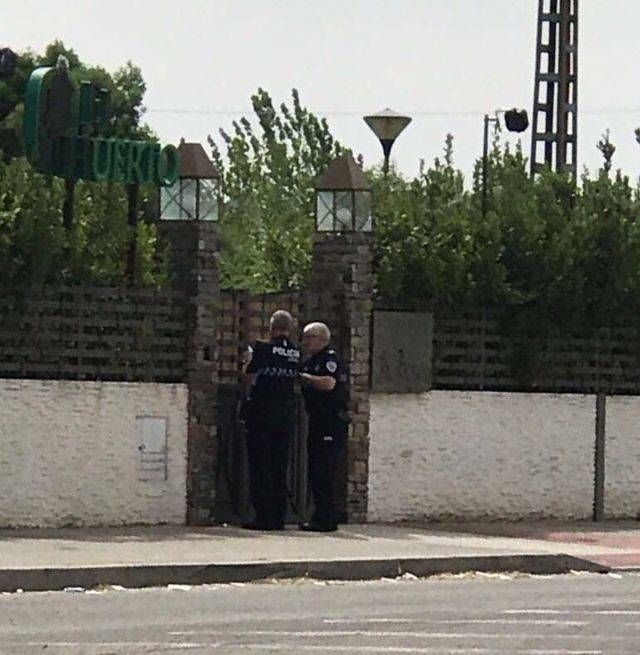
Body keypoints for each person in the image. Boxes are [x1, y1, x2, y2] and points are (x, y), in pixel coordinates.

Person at [240, 310, 300, 530]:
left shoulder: (261, 348)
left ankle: (263, 517)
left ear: (271, 326)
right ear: (290, 328)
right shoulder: (295, 352)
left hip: (261, 414)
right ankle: (279, 516)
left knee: (260, 466)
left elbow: (248, 376)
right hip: (286, 416)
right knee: (279, 466)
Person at [299, 322, 349, 532]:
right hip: (318, 421)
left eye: (309, 337)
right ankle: (320, 515)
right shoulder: (313, 360)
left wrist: (305, 378)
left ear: (321, 338)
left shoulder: (329, 359)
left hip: (330, 423)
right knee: (317, 470)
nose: (305, 342)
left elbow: (329, 383)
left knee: (325, 470)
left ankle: (327, 519)